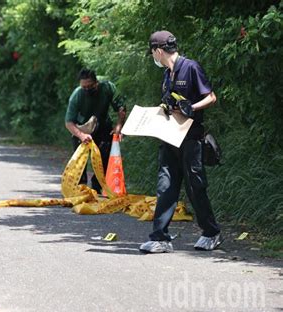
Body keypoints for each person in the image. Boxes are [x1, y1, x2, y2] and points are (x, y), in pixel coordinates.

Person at [139, 31, 221, 253]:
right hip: (169, 138)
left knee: (195, 187)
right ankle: (160, 238)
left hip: (191, 138)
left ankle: (211, 232)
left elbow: (211, 97)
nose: (154, 57)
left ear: (158, 51)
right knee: (165, 185)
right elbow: (170, 102)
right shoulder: (167, 74)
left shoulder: (191, 67)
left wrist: (192, 107)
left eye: (153, 53)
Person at [65, 68, 126, 193]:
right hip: (81, 128)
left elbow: (121, 107)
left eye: (90, 86)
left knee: (104, 156)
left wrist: (119, 126)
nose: (87, 89)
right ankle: (80, 188)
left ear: (96, 82)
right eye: (84, 87)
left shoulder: (107, 88)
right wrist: (82, 136)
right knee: (80, 160)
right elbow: (69, 122)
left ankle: (97, 186)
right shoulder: (77, 95)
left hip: (103, 126)